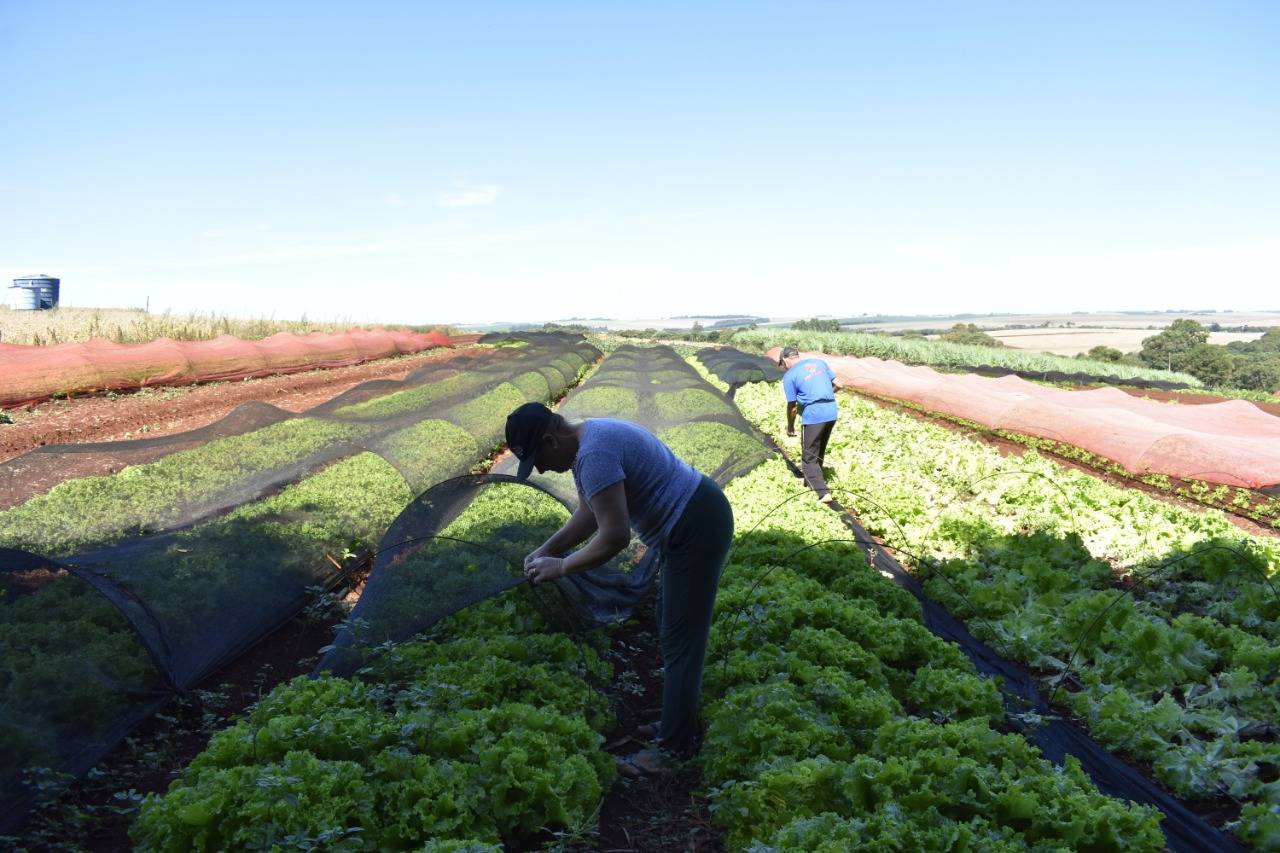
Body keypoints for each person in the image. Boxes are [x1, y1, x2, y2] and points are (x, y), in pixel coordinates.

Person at [505, 401, 734, 777]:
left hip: (697, 526)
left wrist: (561, 566)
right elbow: (589, 514)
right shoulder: (589, 441)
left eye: (539, 459)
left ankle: (672, 752)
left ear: (550, 438)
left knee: (682, 640)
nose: (542, 469)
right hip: (692, 519)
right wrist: (547, 550)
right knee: (670, 624)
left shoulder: (594, 454)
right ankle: (677, 725)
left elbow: (613, 537)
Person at [778, 346, 842, 503]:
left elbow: (792, 407)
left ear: (785, 359)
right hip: (831, 411)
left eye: (782, 363)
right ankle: (810, 481)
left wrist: (791, 426)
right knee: (818, 449)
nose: (783, 366)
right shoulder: (819, 363)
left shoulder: (790, 375)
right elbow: (839, 384)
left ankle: (823, 493)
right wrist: (823, 395)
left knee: (809, 457)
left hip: (814, 414)